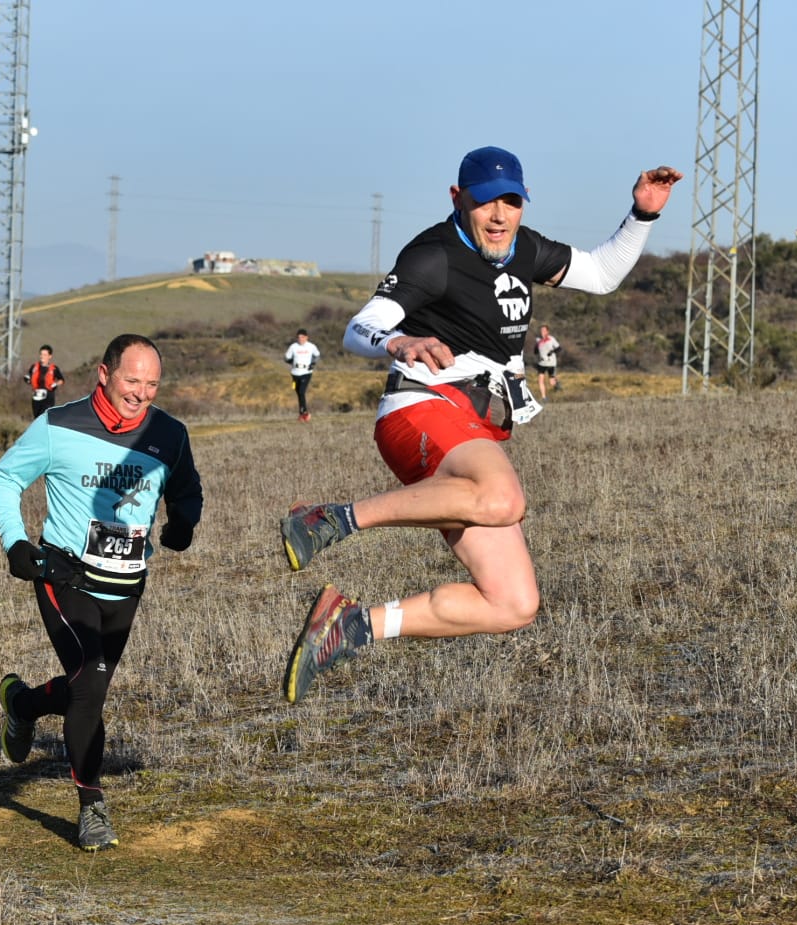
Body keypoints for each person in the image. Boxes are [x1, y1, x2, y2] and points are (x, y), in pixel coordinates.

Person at [278, 146, 682, 703]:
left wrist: (643, 213)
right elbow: (359, 327)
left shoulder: (525, 247)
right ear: (458, 199)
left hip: (472, 424)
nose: (499, 215)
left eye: (511, 202)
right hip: (420, 406)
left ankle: (350, 626)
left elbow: (601, 274)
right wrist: (399, 341)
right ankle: (329, 519)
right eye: (486, 202)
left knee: (512, 603)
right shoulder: (434, 256)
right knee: (503, 498)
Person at [0, 333, 203, 852]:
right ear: (104, 375)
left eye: (152, 384)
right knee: (90, 685)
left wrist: (184, 522)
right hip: (65, 576)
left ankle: (23, 703)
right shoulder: (58, 426)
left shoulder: (170, 433)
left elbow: (186, 488)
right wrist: (16, 543)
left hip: (126, 583)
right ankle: (92, 805)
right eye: (132, 380)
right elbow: (4, 478)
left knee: (91, 686)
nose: (141, 393)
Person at [284, 329, 321, 422]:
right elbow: (286, 357)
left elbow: (317, 355)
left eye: (302, 337)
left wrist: (313, 364)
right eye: (299, 337)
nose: (300, 339)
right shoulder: (293, 347)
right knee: (297, 392)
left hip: (306, 372)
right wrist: (290, 361)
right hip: (295, 373)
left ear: (306, 337)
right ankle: (302, 414)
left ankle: (304, 413)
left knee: (301, 391)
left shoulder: (311, 346)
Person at [27, 344, 65, 418]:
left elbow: (61, 380)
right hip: (36, 396)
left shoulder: (54, 368)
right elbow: (30, 378)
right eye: (41, 354)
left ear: (49, 356)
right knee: (37, 418)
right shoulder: (34, 367)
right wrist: (28, 380)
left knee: (45, 416)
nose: (42, 356)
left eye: (44, 355)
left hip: (48, 397)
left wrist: (56, 384)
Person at [533, 324, 561, 399]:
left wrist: (551, 352)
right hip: (541, 363)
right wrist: (537, 347)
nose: (542, 331)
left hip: (551, 363)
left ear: (547, 331)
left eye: (544, 330)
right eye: (541, 330)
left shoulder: (551, 339)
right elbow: (535, 352)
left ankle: (557, 384)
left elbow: (559, 348)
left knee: (551, 382)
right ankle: (544, 397)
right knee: (540, 380)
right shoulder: (538, 340)